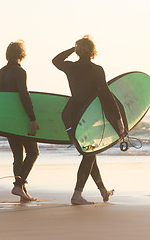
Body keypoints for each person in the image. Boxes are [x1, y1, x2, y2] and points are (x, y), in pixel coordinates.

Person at [52, 35, 125, 205]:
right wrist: (118, 118)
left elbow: (56, 60)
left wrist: (73, 48)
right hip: (89, 116)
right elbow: (106, 95)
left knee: (90, 152)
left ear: (78, 51)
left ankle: (103, 191)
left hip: (72, 115)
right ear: (93, 51)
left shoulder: (70, 67)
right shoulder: (96, 70)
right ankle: (77, 195)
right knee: (90, 153)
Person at [0, 40, 39, 202]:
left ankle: (22, 192)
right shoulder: (20, 72)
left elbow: (0, 99)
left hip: (7, 120)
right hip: (20, 119)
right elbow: (23, 95)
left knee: (18, 156)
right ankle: (19, 185)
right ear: (22, 54)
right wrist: (32, 118)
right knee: (33, 152)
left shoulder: (0, 73)